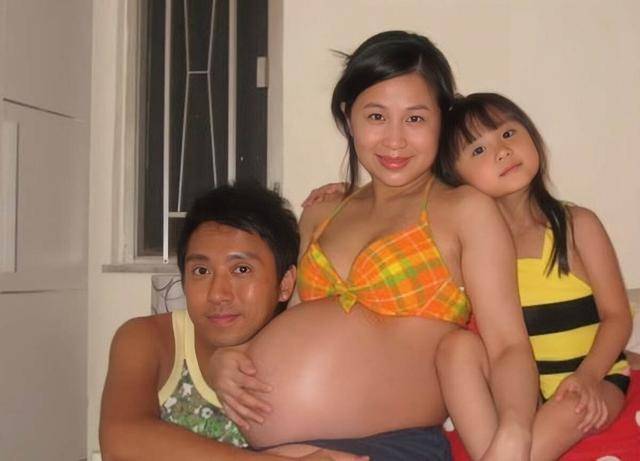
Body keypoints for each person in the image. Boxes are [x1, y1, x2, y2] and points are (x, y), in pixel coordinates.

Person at [210, 31, 538, 461]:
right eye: (377, 116)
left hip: (393, 444)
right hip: (282, 452)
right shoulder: (321, 213)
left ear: (441, 120)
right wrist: (226, 360)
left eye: (415, 119)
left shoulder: (465, 210)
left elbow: (509, 345)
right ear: (349, 118)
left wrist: (514, 431)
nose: (394, 140)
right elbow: (290, 325)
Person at [99, 183, 366, 461]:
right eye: (201, 271)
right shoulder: (149, 340)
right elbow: (120, 441)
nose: (218, 294)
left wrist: (363, 197)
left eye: (241, 269)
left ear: (285, 283)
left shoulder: (306, 356)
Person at [434, 92, 632, 460]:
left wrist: (589, 376)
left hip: (590, 382)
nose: (502, 151)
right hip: (514, 397)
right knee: (454, 348)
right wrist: (345, 193)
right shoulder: (471, 248)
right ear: (454, 179)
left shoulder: (577, 226)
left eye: (508, 134)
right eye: (479, 149)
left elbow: (618, 316)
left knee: (569, 407)